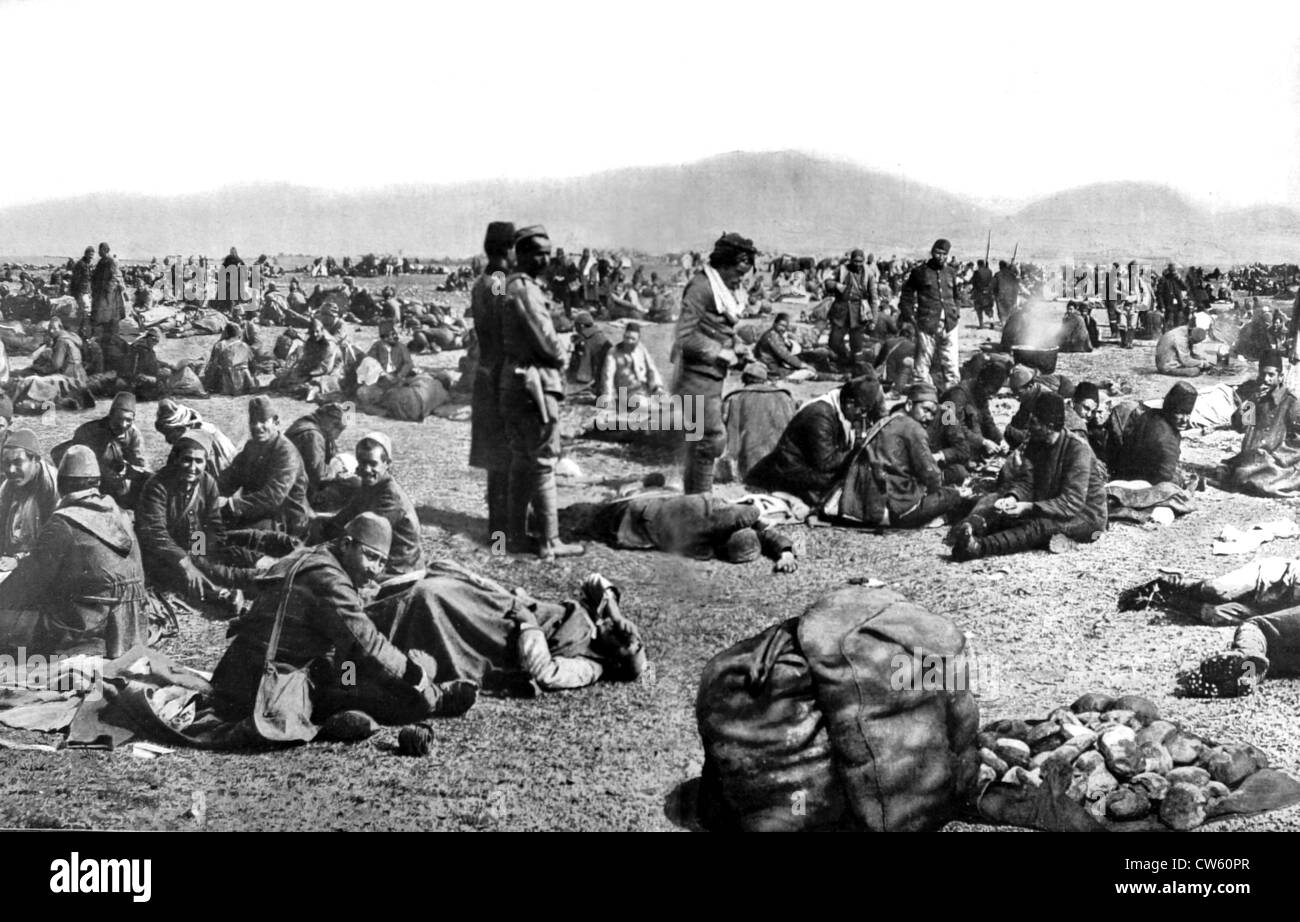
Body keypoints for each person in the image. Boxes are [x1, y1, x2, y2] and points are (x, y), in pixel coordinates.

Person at [208, 513, 476, 725]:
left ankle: (341, 711)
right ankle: (436, 699)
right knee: (392, 693)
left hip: (236, 674)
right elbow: (367, 646)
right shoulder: (330, 580)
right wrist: (417, 676)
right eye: (370, 556)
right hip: (268, 687)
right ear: (347, 544)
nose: (375, 570)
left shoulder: (313, 554)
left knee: (350, 673)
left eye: (381, 562)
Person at [366, 567, 646, 695]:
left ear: (615, 661)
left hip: (499, 637)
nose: (628, 636)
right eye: (633, 636)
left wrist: (528, 624)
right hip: (502, 605)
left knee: (429, 598)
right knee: (440, 576)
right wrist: (616, 614)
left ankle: (363, 630)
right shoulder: (597, 620)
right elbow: (593, 580)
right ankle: (365, 605)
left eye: (628, 645)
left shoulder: (589, 666)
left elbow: (545, 673)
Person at [0, 446, 148, 658]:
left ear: (61, 485)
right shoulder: (121, 515)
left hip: (88, 626)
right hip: (131, 624)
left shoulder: (64, 523)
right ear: (97, 483)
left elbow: (29, 582)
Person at [498, 226, 584, 559]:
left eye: (548, 252)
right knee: (544, 461)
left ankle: (515, 535)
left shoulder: (515, 286)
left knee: (522, 460)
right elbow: (547, 342)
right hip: (535, 384)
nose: (546, 259)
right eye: (539, 253)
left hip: (516, 382)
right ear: (522, 255)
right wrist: (562, 355)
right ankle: (550, 541)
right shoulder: (525, 290)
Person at [949, 392, 1107, 560]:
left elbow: (1071, 503)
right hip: (1053, 504)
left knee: (1039, 527)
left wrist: (1027, 507)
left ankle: (979, 548)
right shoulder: (1036, 441)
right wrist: (1013, 498)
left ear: (1050, 426)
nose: (1029, 427)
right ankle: (970, 531)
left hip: (1086, 516)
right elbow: (1027, 481)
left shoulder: (1078, 449)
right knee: (1006, 511)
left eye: (1034, 422)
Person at [672, 232, 758, 494]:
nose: (740, 280)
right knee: (710, 439)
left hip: (709, 377)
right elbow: (683, 337)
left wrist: (738, 350)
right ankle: (701, 503)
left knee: (700, 440)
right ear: (724, 264)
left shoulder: (720, 289)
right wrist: (721, 353)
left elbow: (716, 328)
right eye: (737, 272)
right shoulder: (701, 288)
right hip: (693, 377)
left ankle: (696, 502)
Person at [746, 376, 885, 505]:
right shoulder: (820, 415)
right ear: (850, 403)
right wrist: (856, 450)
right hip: (790, 470)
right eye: (862, 410)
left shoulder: (838, 409)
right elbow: (825, 463)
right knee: (847, 479)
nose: (862, 415)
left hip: (807, 465)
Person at [591, 491, 799, 572]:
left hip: (624, 517)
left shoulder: (713, 517)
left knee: (590, 515)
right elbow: (759, 532)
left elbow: (750, 514)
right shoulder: (706, 547)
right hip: (640, 509)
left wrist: (760, 521)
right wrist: (785, 552)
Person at [867, 383, 972, 526]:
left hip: (885, 488)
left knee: (958, 472)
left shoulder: (946, 414)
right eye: (925, 410)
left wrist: (939, 455)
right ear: (910, 405)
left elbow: (963, 449)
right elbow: (931, 475)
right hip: (902, 493)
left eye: (932, 412)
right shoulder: (908, 424)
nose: (928, 417)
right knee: (953, 494)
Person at [468, 222, 515, 541]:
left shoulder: (482, 281)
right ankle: (501, 528)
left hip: (487, 374)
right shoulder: (498, 282)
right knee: (505, 455)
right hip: (502, 376)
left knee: (498, 456)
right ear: (505, 249)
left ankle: (500, 524)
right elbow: (504, 325)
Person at [320, 432, 423, 576]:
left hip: (396, 569)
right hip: (373, 557)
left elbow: (363, 537)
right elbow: (344, 518)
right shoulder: (369, 486)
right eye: (362, 462)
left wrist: (320, 547)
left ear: (387, 464)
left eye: (373, 464)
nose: (367, 469)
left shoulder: (391, 497)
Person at [218, 396, 312, 538]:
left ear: (276, 422)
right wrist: (208, 491)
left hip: (284, 518)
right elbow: (230, 477)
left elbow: (273, 498)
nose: (257, 427)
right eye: (253, 422)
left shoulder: (286, 452)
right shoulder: (251, 447)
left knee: (238, 541)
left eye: (263, 421)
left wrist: (230, 504)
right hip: (255, 511)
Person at [1223, 349, 1300, 496]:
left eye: (1271, 375)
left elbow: (1297, 440)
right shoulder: (1257, 397)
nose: (1266, 379)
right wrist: (1251, 402)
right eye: (1263, 374)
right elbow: (1240, 426)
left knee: (1254, 479)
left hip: (1278, 461)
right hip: (1254, 457)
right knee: (1239, 474)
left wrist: (1278, 458)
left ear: (1280, 377)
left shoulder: (1291, 402)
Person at [68, 391, 150, 509]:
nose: (123, 424)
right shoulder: (89, 431)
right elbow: (77, 465)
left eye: (128, 420)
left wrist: (130, 470)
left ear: (133, 419)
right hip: (93, 483)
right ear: (110, 415)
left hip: (120, 483)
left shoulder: (133, 434)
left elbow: (141, 464)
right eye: (118, 419)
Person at [898, 239, 961, 391]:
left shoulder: (951, 272)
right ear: (932, 252)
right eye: (938, 253)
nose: (941, 257)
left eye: (944, 254)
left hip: (949, 324)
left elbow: (956, 295)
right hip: (927, 324)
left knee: (951, 364)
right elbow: (906, 295)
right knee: (922, 365)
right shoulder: (919, 272)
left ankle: (951, 397)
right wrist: (909, 315)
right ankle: (923, 396)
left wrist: (956, 311)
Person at [1107, 381, 1196, 486]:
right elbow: (1165, 479)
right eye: (1179, 413)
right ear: (1169, 408)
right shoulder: (1167, 442)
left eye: (1188, 414)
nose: (1185, 420)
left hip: (1123, 474)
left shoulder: (1150, 414)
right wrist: (1180, 480)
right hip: (1141, 484)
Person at [930, 362, 1007, 483]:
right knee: (960, 474)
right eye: (989, 392)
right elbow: (952, 429)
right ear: (981, 381)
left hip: (968, 444)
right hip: (950, 445)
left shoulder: (981, 392)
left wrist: (1000, 439)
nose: (989, 396)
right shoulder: (956, 395)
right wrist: (983, 442)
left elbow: (988, 420)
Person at [719, 363, 796, 482]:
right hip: (784, 468)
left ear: (744, 379)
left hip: (749, 470)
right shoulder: (785, 397)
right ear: (765, 380)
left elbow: (723, 431)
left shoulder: (734, 398)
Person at [0, 429, 59, 558]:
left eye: (17, 462)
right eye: (6, 463)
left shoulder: (52, 487)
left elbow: (57, 541)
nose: (11, 470)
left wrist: (20, 559)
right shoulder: (6, 488)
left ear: (35, 459)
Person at [284, 402, 354, 507]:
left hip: (290, 484)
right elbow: (319, 475)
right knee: (352, 486)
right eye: (337, 428)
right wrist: (336, 471)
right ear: (330, 421)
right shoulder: (313, 435)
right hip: (295, 492)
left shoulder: (307, 424)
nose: (337, 435)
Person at [155, 399, 238, 481]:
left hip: (220, 475)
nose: (167, 439)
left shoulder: (197, 438)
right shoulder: (191, 431)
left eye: (169, 433)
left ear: (180, 428)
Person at [826, 249, 878, 363]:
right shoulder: (842, 269)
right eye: (855, 261)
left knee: (857, 344)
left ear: (863, 261)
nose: (857, 264)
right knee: (834, 341)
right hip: (841, 310)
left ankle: (856, 366)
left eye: (860, 261)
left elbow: (874, 298)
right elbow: (827, 282)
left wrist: (873, 319)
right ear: (851, 260)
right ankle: (843, 359)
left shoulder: (868, 273)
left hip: (858, 312)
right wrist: (836, 285)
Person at [599, 322, 664, 405]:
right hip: (627, 392)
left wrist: (657, 388)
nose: (629, 341)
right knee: (643, 404)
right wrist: (607, 397)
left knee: (667, 403)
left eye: (633, 339)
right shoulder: (613, 352)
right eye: (627, 338)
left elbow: (651, 369)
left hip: (645, 389)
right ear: (623, 336)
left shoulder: (641, 349)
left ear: (638, 339)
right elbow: (607, 376)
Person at [566, 311, 614, 396]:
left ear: (581, 326)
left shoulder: (587, 340)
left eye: (576, 326)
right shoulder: (597, 334)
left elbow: (585, 365)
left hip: (603, 372)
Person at [753, 313, 813, 379]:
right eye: (781, 325)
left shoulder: (774, 333)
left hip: (773, 365)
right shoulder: (773, 336)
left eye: (786, 327)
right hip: (771, 369)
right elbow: (785, 355)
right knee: (809, 373)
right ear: (775, 323)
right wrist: (802, 365)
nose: (783, 329)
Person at [203, 323, 256, 396]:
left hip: (226, 382)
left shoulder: (219, 345)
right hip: (245, 381)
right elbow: (252, 363)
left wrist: (208, 381)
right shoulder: (244, 345)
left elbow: (213, 365)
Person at [90, 242, 125, 342]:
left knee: (109, 315)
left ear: (105, 250)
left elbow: (114, 277)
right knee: (100, 314)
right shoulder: (101, 261)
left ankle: (111, 336)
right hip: (100, 291)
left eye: (100, 250)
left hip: (109, 294)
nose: (98, 252)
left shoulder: (111, 261)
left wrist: (108, 290)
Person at [70, 246, 94, 337]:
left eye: (92, 256)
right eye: (90, 256)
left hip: (86, 290)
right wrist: (76, 293)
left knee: (83, 310)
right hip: (81, 291)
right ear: (86, 254)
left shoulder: (87, 265)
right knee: (85, 310)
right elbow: (75, 279)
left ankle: (82, 329)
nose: (91, 258)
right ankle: (82, 330)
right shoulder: (81, 264)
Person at [971, 258, 995, 329]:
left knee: (979, 309)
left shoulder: (976, 272)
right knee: (989, 309)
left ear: (978, 264)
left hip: (979, 292)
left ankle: (981, 325)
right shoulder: (990, 271)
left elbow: (974, 282)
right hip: (988, 292)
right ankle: (992, 322)